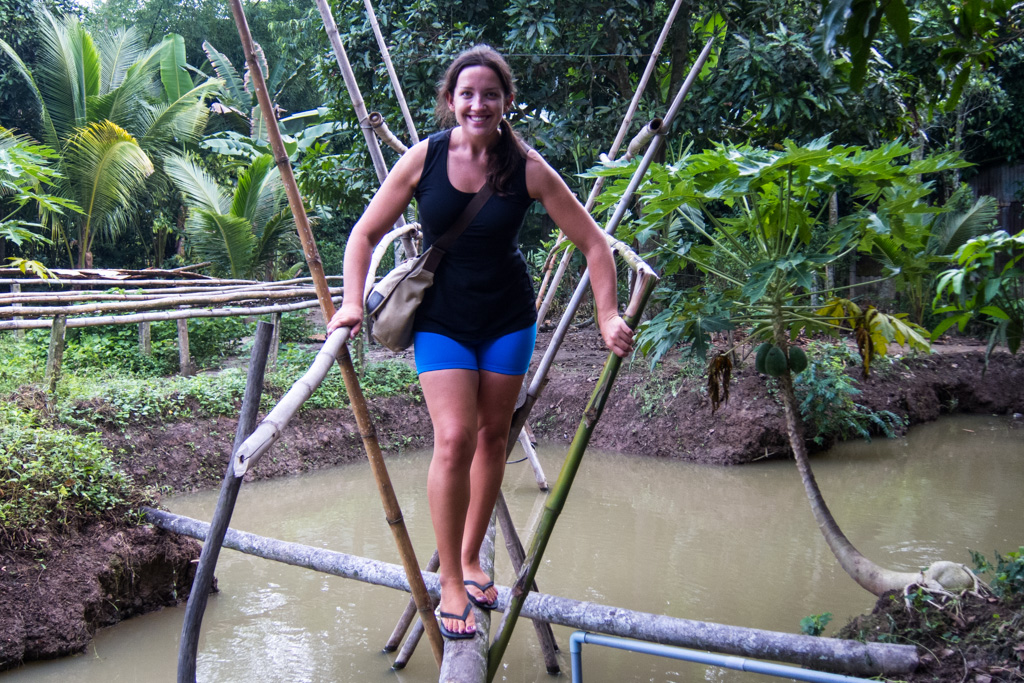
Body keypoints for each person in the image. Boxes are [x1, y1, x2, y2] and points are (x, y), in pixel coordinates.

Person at [327, 44, 634, 639]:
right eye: (466, 94)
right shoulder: (424, 159)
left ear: (506, 102)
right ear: (450, 101)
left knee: (495, 435)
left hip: (509, 320)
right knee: (453, 439)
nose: (477, 103)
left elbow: (595, 244)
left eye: (489, 94)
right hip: (442, 319)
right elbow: (364, 234)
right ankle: (446, 584)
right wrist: (349, 302)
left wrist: (607, 315)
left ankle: (469, 560)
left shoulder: (527, 167)